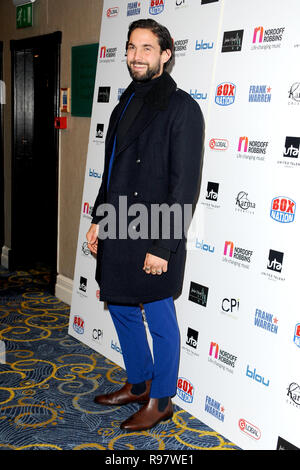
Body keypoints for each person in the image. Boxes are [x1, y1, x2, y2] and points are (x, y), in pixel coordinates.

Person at [86, 18, 204, 432]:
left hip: (154, 230)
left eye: (147, 49)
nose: (136, 56)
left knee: (159, 317)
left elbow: (185, 185)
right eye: (132, 48)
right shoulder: (124, 102)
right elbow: (112, 169)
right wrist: (99, 219)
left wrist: (163, 246)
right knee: (119, 305)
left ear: (166, 54)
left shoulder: (182, 108)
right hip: (118, 225)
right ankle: (139, 383)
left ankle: (161, 398)